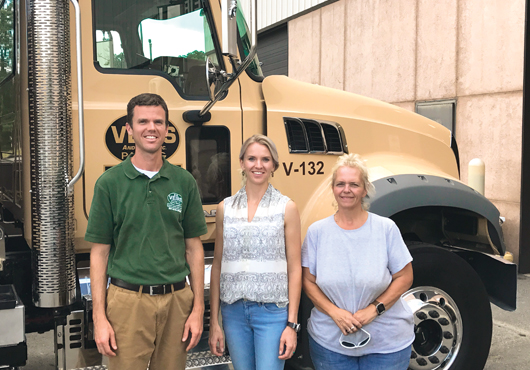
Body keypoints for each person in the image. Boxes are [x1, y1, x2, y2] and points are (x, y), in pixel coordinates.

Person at [86, 93, 207, 370]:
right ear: (129, 129)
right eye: (142, 121)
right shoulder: (109, 183)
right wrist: (99, 318)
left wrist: (198, 309)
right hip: (128, 303)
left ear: (166, 129)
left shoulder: (184, 181)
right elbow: (100, 254)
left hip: (177, 301)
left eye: (158, 122)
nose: (151, 128)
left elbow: (194, 248)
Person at [301, 153, 414, 370]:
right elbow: (309, 282)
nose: (346, 190)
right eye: (340, 184)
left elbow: (405, 276)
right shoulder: (317, 232)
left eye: (354, 184)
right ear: (333, 189)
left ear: (364, 189)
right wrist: (335, 312)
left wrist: (374, 309)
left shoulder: (386, 229)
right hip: (330, 345)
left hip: (386, 344)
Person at [208, 134, 302, 370]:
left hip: (271, 314)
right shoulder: (225, 208)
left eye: (265, 159)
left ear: (273, 166)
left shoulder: (286, 207)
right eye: (251, 158)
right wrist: (214, 323)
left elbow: (294, 268)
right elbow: (218, 265)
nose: (258, 165)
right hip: (234, 313)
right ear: (241, 163)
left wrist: (292, 325)